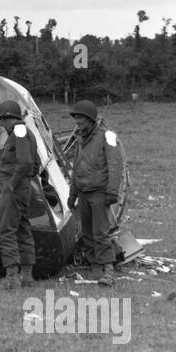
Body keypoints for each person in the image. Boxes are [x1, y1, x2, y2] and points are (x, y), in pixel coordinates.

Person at [65, 99, 126, 286]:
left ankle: (108, 270)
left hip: (99, 192)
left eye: (81, 119)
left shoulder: (107, 136)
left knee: (100, 233)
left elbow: (115, 165)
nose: (78, 123)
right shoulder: (80, 138)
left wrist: (112, 192)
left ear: (90, 119)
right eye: (76, 120)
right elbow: (76, 168)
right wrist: (72, 194)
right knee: (87, 232)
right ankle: (95, 267)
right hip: (83, 192)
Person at [0, 99, 38, 288]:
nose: (3, 125)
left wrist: (11, 184)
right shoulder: (28, 133)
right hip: (24, 187)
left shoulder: (18, 131)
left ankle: (11, 278)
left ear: (10, 118)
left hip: (14, 188)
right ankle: (27, 276)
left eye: (3, 120)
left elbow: (26, 162)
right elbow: (35, 166)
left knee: (5, 231)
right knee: (22, 229)